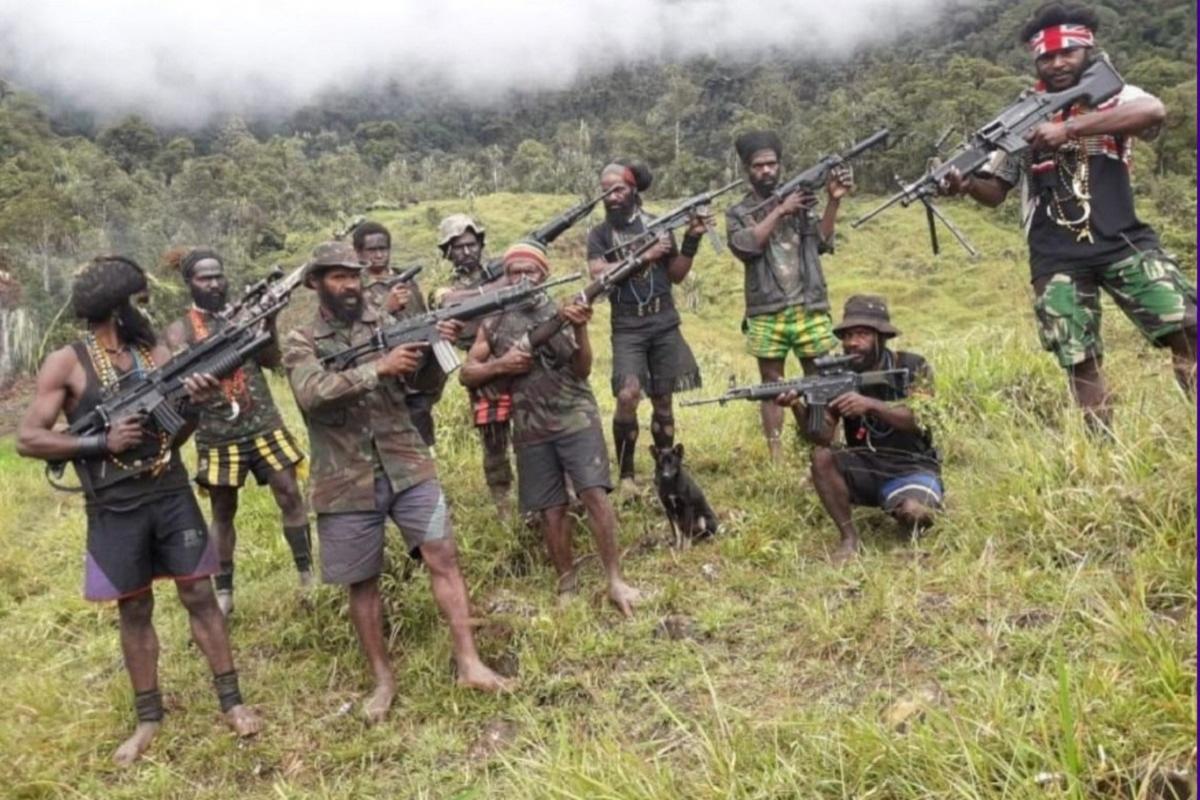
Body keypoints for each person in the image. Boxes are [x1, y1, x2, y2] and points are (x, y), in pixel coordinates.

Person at [16, 256, 262, 765]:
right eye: (133, 304)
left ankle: (232, 702)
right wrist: (101, 442)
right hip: (115, 505)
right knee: (135, 607)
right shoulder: (68, 362)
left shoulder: (153, 355)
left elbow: (176, 432)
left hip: (169, 490)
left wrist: (195, 404)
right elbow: (28, 438)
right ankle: (148, 717)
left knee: (199, 594)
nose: (141, 313)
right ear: (116, 309)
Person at [939, 2, 1196, 428]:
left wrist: (1069, 129)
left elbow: (1154, 112)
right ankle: (1103, 455)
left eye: (1068, 53)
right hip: (1054, 254)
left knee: (1188, 327)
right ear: (1035, 60)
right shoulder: (1017, 117)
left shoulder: (1115, 94)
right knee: (1080, 360)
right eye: (1047, 56)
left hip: (1124, 239)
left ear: (1087, 51)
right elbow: (995, 191)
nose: (1057, 63)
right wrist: (965, 185)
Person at [282, 242, 509, 723]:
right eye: (339, 276)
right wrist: (377, 367)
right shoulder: (300, 338)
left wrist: (431, 351)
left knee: (443, 556)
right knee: (362, 582)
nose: (350, 284)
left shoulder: (386, 325)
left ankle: (469, 661)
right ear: (315, 283)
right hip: (344, 478)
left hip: (407, 462)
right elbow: (310, 394)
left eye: (354, 275)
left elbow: (423, 389)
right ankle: (382, 679)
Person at [461, 241, 643, 616]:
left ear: (543, 275)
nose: (522, 277)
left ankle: (615, 579)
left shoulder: (560, 309)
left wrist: (582, 330)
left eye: (529, 270)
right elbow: (467, 373)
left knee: (594, 494)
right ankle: (566, 584)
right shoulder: (492, 323)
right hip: (529, 427)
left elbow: (582, 369)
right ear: (504, 277)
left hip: (575, 415)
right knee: (550, 509)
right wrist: (502, 365)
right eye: (513, 271)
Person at [164, 248, 311, 616]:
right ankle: (225, 591)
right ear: (189, 284)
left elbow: (270, 360)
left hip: (263, 422)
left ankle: (308, 573)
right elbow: (175, 387)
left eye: (218, 275)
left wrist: (269, 322)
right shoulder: (180, 330)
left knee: (290, 493)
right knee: (222, 510)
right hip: (216, 431)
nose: (214, 283)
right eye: (204, 278)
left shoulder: (246, 314)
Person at [777, 295, 943, 565]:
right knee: (821, 457)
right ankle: (849, 539)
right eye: (848, 335)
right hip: (864, 464)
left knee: (914, 513)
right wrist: (796, 404)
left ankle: (905, 506)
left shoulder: (913, 366)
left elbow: (921, 419)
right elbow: (822, 437)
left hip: (912, 465)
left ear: (881, 338)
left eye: (862, 334)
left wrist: (870, 405)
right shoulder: (836, 376)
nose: (852, 342)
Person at [726, 130, 855, 462]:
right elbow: (746, 246)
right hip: (766, 309)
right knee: (771, 384)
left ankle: (826, 446)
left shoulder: (800, 203)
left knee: (822, 378)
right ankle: (777, 454)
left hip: (809, 305)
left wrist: (834, 200)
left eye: (772, 164)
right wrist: (781, 210)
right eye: (759, 166)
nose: (767, 171)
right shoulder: (739, 212)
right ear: (747, 169)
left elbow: (823, 242)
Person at [585, 161, 707, 492]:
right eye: (605, 190)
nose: (611, 196)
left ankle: (666, 470)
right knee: (627, 395)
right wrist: (644, 255)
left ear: (633, 189)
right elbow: (599, 274)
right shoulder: (600, 234)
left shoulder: (659, 225)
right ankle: (626, 476)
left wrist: (692, 239)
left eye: (618, 189)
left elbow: (677, 275)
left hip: (663, 321)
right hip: (627, 325)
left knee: (663, 399)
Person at [428, 214, 516, 514]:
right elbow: (451, 302)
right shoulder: (441, 286)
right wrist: (493, 290)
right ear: (447, 252)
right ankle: (503, 504)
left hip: (517, 355)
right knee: (494, 441)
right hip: (481, 369)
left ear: (480, 244)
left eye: (471, 244)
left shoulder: (500, 268)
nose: (466, 252)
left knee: (535, 434)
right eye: (458, 247)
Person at [352, 219, 439, 447]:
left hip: (417, 379)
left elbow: (423, 317)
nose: (379, 255)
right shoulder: (354, 289)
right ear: (359, 253)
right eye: (372, 250)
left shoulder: (407, 280)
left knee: (422, 445)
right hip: (383, 380)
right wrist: (386, 309)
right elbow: (357, 336)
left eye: (383, 248)